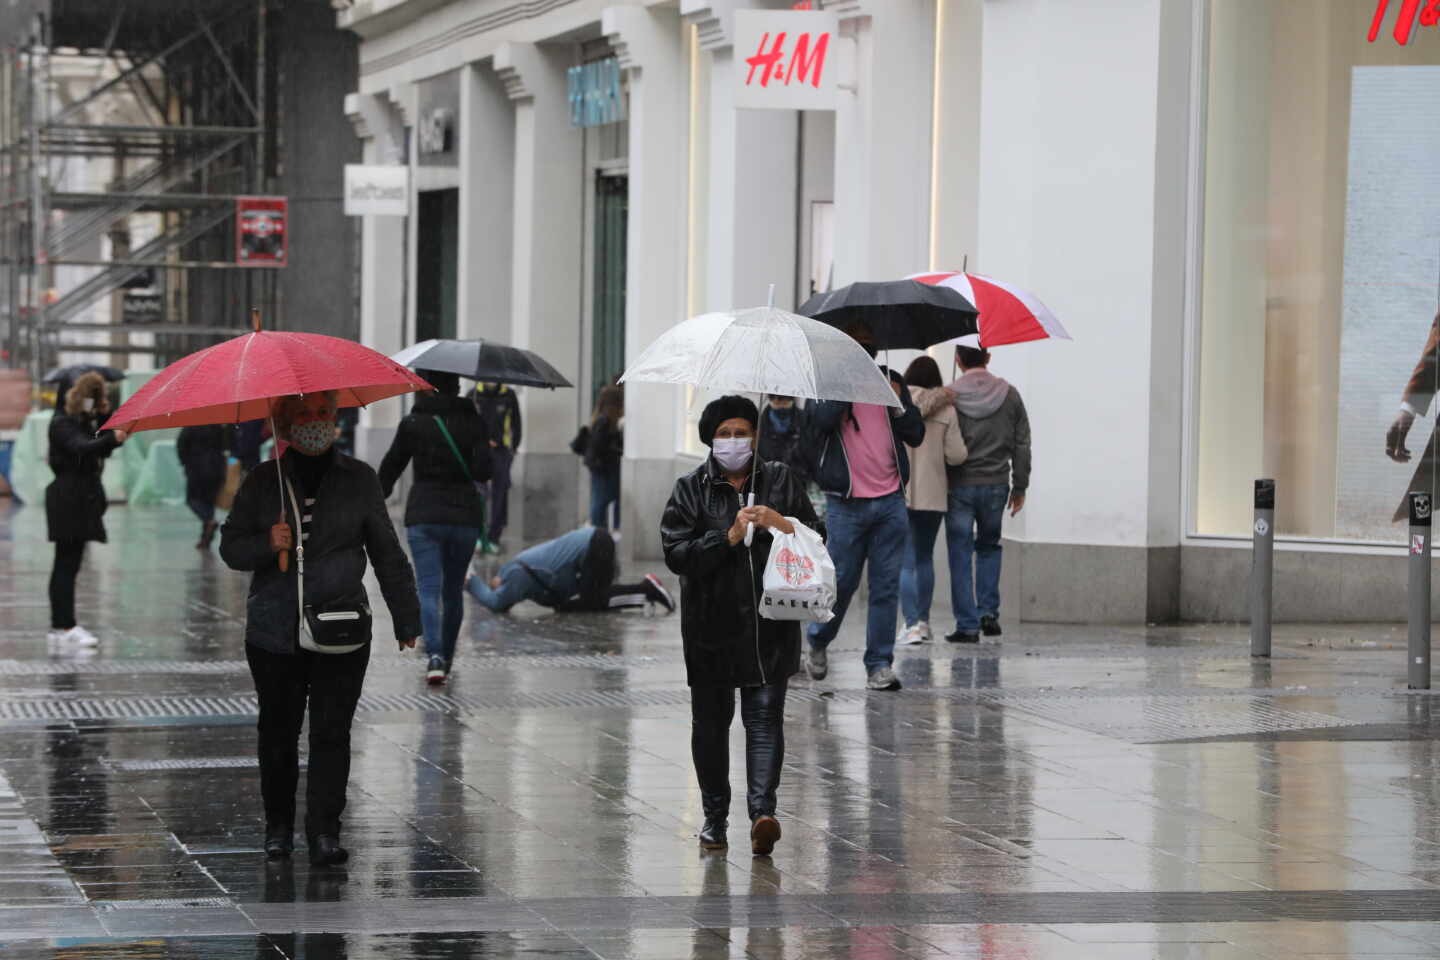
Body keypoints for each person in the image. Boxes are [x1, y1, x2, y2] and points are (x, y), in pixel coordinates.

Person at [220, 391, 421, 867]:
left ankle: (326, 831)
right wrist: (268, 543)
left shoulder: (359, 480)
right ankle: (278, 828)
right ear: (285, 425)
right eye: (305, 415)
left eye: (324, 414)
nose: (316, 423)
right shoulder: (263, 481)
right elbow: (231, 548)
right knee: (278, 732)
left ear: (337, 421)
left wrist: (406, 617)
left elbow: (387, 553)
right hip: (274, 632)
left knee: (331, 732)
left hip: (341, 627)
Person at [661, 395, 819, 856]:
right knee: (711, 724)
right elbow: (676, 554)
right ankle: (714, 817)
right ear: (710, 438)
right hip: (711, 627)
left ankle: (762, 814)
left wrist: (781, 524)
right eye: (725, 433)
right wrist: (725, 538)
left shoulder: (780, 479)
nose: (734, 441)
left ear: (756, 434)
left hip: (770, 626)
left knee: (765, 719)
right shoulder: (690, 489)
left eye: (742, 432)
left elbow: (816, 535)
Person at [801, 324, 924, 691]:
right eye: (858, 344)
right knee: (841, 582)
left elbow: (916, 434)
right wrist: (847, 387)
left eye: (870, 343)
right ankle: (818, 640)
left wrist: (899, 403)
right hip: (847, 505)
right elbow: (818, 423)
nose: (865, 349)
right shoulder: (829, 384)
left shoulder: (891, 381)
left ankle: (879, 665)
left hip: (890, 502)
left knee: (886, 587)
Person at [379, 370, 492, 685]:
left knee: (428, 588)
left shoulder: (414, 423)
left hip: (424, 514)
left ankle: (435, 657)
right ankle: (449, 656)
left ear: (424, 388)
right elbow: (484, 472)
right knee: (453, 590)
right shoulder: (474, 421)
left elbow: (389, 470)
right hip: (464, 516)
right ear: (457, 388)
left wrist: (369, 506)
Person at [944, 345, 1031, 642]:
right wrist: (1020, 486)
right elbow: (1022, 444)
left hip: (959, 485)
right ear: (988, 358)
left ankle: (966, 624)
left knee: (959, 552)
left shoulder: (950, 395)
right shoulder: (1010, 394)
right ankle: (988, 613)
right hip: (996, 483)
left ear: (958, 360)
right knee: (989, 546)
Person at [45, 372, 126, 650]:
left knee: (69, 563)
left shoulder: (78, 422)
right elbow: (83, 448)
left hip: (80, 497)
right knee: (66, 564)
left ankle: (61, 626)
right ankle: (64, 626)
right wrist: (111, 439)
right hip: (68, 498)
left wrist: (106, 421)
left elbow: (100, 448)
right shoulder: (62, 424)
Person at [896, 356, 968, 645]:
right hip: (933, 494)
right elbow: (957, 455)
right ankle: (923, 623)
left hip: (899, 492)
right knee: (924, 558)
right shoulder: (947, 409)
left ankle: (910, 624)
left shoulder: (895, 404)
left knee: (906, 562)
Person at [466, 526, 674, 614]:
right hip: (596, 541)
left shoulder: (515, 578)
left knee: (594, 600)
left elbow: (496, 604)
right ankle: (645, 591)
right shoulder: (518, 568)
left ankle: (647, 590)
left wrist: (469, 581)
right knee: (580, 603)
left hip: (595, 545)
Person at [474, 382, 521, 553]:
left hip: (501, 452)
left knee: (500, 494)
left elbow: (516, 422)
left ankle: (494, 537)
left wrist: (512, 448)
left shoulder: (508, 395)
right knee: (479, 493)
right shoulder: (473, 394)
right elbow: (466, 422)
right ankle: (479, 536)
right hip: (479, 450)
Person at [176, 424, 232, 549]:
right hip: (217, 467)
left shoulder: (191, 425)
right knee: (209, 502)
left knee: (192, 499)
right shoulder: (219, 426)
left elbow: (181, 445)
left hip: (196, 467)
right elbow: (227, 445)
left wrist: (185, 462)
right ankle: (205, 537)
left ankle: (208, 521)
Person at [585, 385, 623, 532]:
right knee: (600, 501)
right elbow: (599, 446)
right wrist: (616, 447)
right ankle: (597, 532)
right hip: (603, 467)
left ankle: (599, 530)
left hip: (601, 467)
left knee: (600, 500)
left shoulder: (601, 419)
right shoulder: (604, 421)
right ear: (613, 405)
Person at [756, 395, 811, 489]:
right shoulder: (759, 423)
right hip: (768, 483)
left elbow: (810, 451)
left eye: (784, 402)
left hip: (799, 482)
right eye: (776, 402)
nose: (780, 406)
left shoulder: (804, 420)